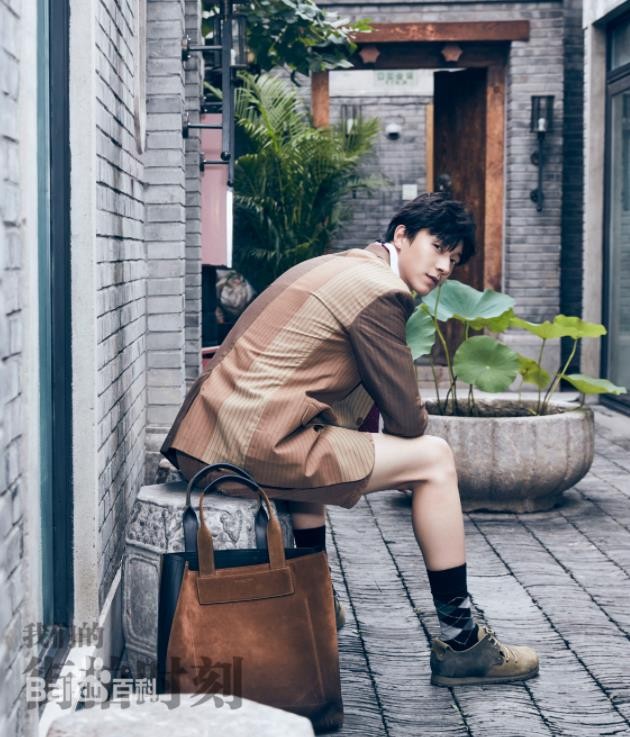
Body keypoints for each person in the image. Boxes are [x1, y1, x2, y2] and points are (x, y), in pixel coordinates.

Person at [161, 192, 539, 686]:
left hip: (207, 436)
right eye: (438, 247)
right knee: (434, 460)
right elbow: (408, 419)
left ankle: (318, 601)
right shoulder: (381, 291)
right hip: (250, 444)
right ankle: (462, 641)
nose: (445, 266)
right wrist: (404, 458)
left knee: (328, 436)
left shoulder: (339, 265)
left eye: (454, 258)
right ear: (402, 236)